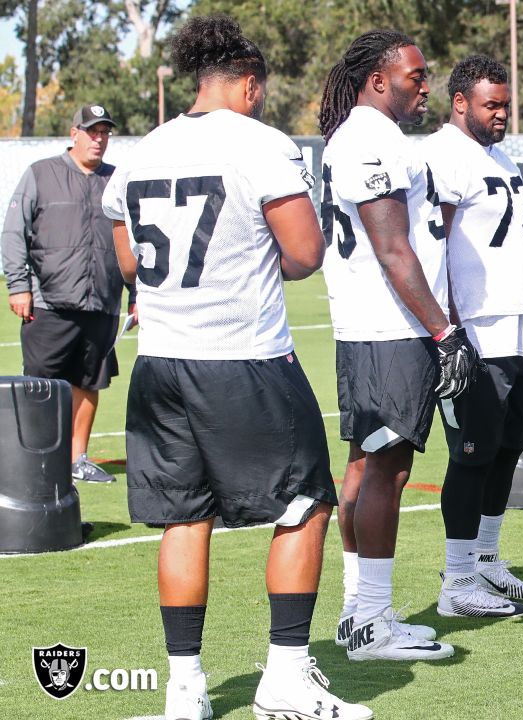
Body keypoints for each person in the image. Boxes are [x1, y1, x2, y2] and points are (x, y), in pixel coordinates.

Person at [101, 15, 370, 719]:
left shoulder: (142, 150)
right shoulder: (261, 144)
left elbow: (126, 258)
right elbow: (305, 253)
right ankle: (283, 675)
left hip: (160, 360)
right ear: (250, 85)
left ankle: (184, 689)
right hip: (242, 359)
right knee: (306, 502)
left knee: (183, 520)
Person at [318, 29, 471, 660]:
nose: (425, 85)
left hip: (376, 327)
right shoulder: (368, 138)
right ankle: (374, 622)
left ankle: (360, 611)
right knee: (386, 470)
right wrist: (444, 330)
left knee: (368, 466)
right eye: (416, 75)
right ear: (378, 80)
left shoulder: (365, 137)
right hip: (388, 328)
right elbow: (392, 249)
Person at [422, 54, 523, 618]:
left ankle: (487, 559)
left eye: (505, 104)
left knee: (507, 449)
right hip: (471, 329)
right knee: (471, 456)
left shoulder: (497, 156)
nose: (501, 114)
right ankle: (456, 581)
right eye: (490, 105)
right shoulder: (442, 156)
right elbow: (436, 251)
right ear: (460, 103)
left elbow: (511, 248)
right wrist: (448, 333)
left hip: (511, 327)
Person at [2, 103, 134, 484]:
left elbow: (132, 243)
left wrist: (135, 293)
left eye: (105, 132)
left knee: (90, 383)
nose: (99, 138)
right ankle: (37, 461)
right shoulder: (41, 174)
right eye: (92, 131)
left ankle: (78, 458)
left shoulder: (116, 180)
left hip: (102, 303)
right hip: (49, 304)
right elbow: (14, 232)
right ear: (74, 133)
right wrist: (18, 285)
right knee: (42, 386)